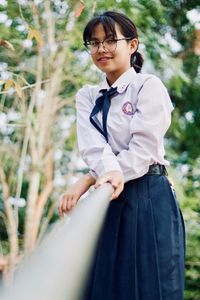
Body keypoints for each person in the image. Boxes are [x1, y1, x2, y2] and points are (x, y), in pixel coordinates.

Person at [58, 11, 185, 300]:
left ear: (133, 44)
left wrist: (96, 179)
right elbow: (93, 148)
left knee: (150, 284)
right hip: (108, 197)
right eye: (94, 42)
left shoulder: (148, 86)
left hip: (149, 195)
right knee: (103, 284)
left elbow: (144, 149)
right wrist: (100, 177)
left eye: (111, 40)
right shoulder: (87, 95)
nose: (101, 49)